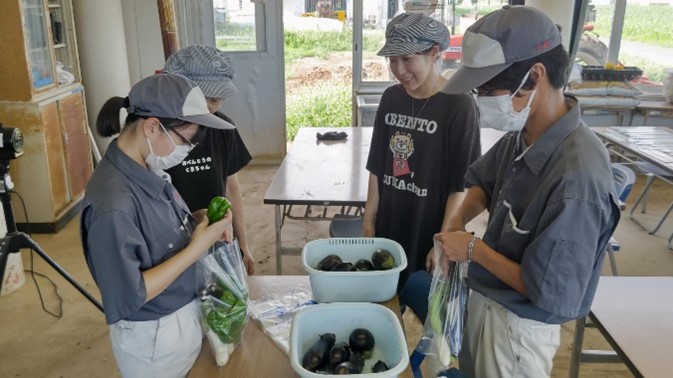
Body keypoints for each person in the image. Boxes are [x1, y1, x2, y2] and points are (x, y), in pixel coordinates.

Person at [433, 6, 620, 377]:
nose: (482, 100)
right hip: (488, 301)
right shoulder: (526, 133)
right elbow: (483, 184)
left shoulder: (576, 180)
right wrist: (453, 226)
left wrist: (472, 248)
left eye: (488, 89)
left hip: (519, 332)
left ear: (534, 76)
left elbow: (548, 291)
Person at [80, 73, 235, 377]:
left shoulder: (146, 167)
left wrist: (196, 220)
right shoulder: (113, 206)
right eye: (185, 141)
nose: (188, 150)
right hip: (154, 340)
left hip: (181, 317)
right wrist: (198, 247)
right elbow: (130, 294)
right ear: (152, 127)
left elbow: (157, 236)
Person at [363, 12, 481, 290]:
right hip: (389, 222)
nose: (399, 69)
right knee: (385, 298)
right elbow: (377, 166)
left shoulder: (458, 105)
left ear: (434, 53)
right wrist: (369, 221)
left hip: (428, 227)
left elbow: (459, 186)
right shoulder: (391, 98)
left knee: (425, 303)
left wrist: (442, 240)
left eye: (407, 58)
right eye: (393, 59)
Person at [163, 45, 255, 275]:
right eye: (210, 98)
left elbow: (231, 186)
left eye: (220, 98)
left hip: (217, 237)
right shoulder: (159, 135)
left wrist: (242, 244)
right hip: (170, 246)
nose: (217, 105)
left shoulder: (222, 128)